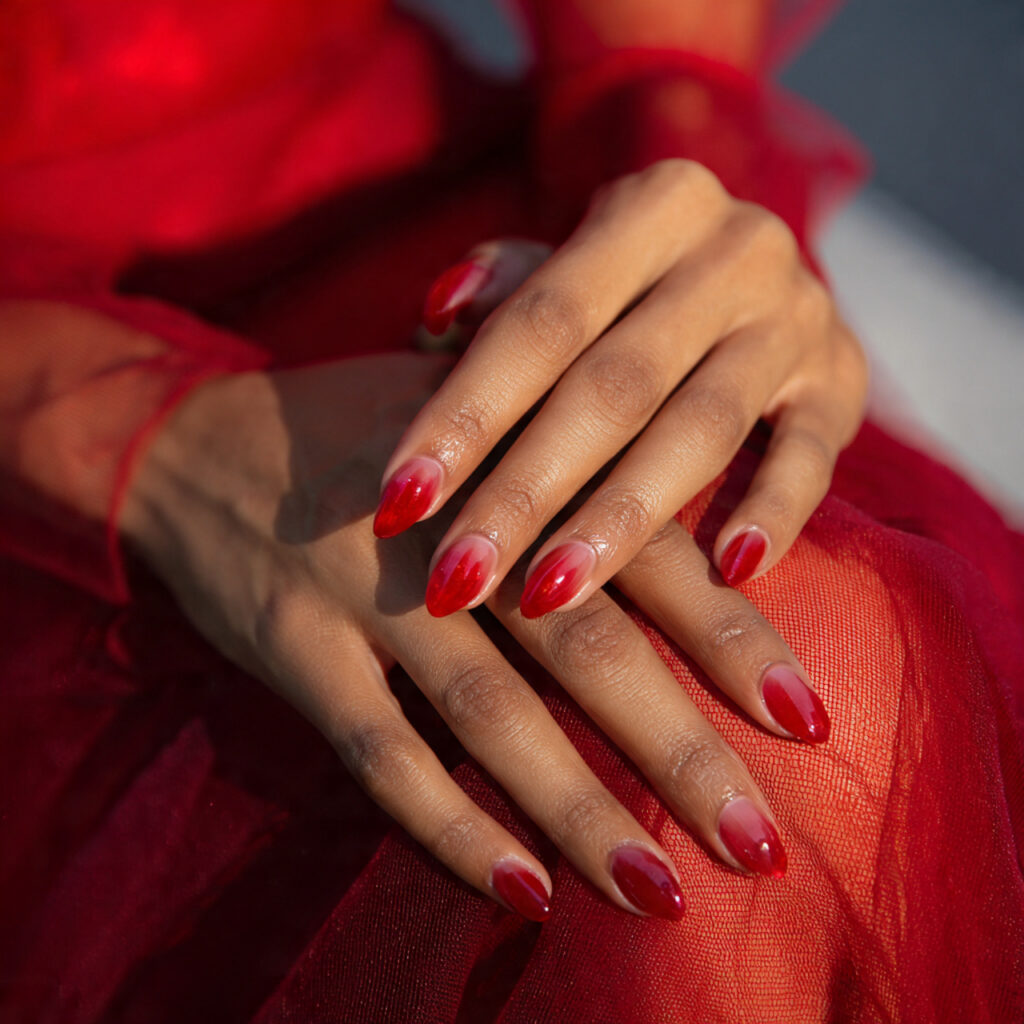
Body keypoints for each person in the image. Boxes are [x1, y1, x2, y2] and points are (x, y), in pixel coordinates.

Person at [1, 1, 1022, 1021]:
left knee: (813, 686)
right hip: (51, 424)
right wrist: (134, 433)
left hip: (418, 234)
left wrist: (675, 205)